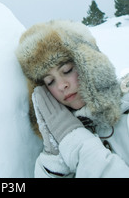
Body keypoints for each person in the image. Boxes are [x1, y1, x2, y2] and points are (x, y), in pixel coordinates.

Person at [15, 19, 129, 178]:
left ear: (89, 64)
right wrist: (54, 157)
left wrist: (76, 142)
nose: (61, 85)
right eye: (50, 81)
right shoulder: (55, 147)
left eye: (67, 70)